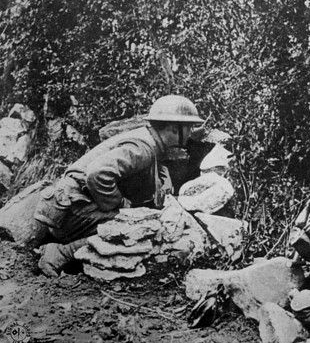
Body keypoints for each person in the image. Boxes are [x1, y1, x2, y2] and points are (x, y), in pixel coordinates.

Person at [34, 94, 203, 277]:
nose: (191, 132)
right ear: (173, 128)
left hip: (69, 206)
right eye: (189, 127)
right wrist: (119, 204)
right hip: (71, 211)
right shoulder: (142, 149)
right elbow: (97, 174)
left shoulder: (147, 139)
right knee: (137, 228)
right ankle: (59, 253)